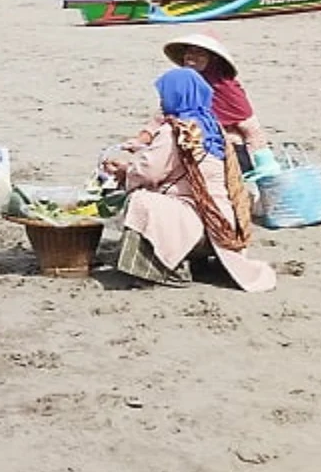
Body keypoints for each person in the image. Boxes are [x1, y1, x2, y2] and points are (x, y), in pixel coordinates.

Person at [104, 69, 275, 291]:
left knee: (140, 201)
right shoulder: (212, 127)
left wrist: (124, 172)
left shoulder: (175, 131)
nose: (162, 102)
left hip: (201, 224)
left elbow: (148, 172)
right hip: (223, 221)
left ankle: (161, 268)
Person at [161, 32, 279, 179]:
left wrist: (265, 167)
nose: (192, 57)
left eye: (200, 53)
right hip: (190, 145)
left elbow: (251, 129)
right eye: (189, 52)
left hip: (228, 153)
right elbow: (165, 115)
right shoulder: (183, 85)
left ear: (213, 59)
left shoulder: (225, 88)